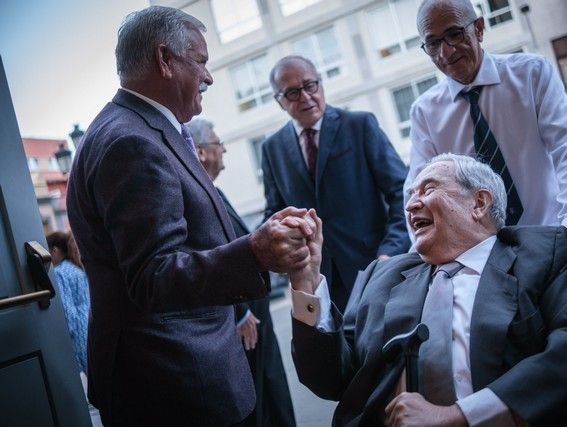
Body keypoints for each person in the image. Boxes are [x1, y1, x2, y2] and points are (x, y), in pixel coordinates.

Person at [66, 7, 314, 426]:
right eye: (200, 61)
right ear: (164, 60)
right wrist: (254, 252)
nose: (209, 76)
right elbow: (153, 275)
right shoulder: (131, 142)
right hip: (175, 386)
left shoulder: (135, 129)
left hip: (177, 378)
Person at [286, 153, 567, 426]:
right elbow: (331, 379)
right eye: (410, 197)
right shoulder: (383, 275)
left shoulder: (541, 254)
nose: (410, 205)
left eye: (427, 190)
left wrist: (459, 416)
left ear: (479, 203)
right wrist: (306, 280)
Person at [405, 0, 567, 274]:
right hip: (482, 266)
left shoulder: (532, 74)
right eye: (433, 43)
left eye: (453, 34)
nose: (445, 51)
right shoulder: (424, 112)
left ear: (480, 28)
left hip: (556, 242)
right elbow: (417, 191)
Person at [262, 55, 410, 311]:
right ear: (279, 101)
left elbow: (402, 191)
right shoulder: (271, 148)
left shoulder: (360, 125)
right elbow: (275, 212)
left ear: (320, 83)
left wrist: (390, 252)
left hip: (375, 270)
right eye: (293, 93)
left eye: (310, 85)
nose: (306, 97)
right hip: (317, 282)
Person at [187, 118, 296, 426]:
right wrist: (240, 312)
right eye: (218, 144)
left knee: (273, 392)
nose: (224, 150)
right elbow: (209, 257)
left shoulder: (215, 192)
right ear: (201, 152)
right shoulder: (198, 197)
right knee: (258, 403)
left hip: (256, 314)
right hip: (245, 320)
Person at [46, 231, 90, 376]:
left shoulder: (59, 273)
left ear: (55, 250)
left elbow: (67, 311)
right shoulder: (77, 267)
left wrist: (63, 339)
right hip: (89, 326)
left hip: (78, 333)